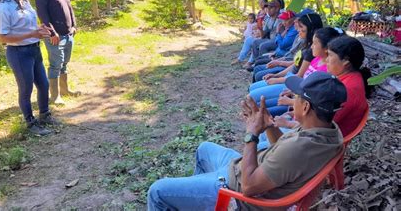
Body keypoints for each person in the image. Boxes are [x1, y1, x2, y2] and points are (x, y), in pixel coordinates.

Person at [147, 72, 346, 211]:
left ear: (305, 107)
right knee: (204, 149)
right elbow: (282, 151)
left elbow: (249, 187)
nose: (292, 98)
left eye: (296, 96)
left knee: (157, 192)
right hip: (243, 170)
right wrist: (270, 125)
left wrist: (252, 133)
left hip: (237, 192)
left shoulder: (300, 149)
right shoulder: (327, 130)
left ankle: (203, 197)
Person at [256, 36, 370, 150]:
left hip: (318, 144)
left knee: (261, 144)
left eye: (329, 55)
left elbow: (319, 129)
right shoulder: (344, 81)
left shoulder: (346, 90)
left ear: (346, 61)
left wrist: (287, 123)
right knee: (265, 132)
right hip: (312, 133)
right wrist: (292, 115)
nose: (325, 60)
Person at [0, 0, 58, 136]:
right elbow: (3, 37)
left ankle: (45, 115)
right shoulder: (3, 8)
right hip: (19, 53)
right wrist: (32, 33)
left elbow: (27, 27)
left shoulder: (24, 2)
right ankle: (30, 123)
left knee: (43, 85)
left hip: (34, 49)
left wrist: (39, 29)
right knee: (26, 88)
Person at [250, 27, 342, 117]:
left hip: (299, 103)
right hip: (294, 91)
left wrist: (290, 99)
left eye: (315, 44)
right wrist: (278, 76)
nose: (312, 46)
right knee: (255, 100)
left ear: (326, 48)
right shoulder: (316, 59)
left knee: (258, 106)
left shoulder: (328, 69)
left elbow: (315, 98)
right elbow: (296, 69)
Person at [35, 0, 81, 105]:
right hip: (55, 36)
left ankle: (65, 90)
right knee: (55, 64)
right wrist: (52, 33)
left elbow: (69, 8)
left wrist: (73, 26)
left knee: (64, 63)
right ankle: (55, 96)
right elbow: (42, 14)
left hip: (68, 34)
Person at [246, 0, 283, 70]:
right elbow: (263, 35)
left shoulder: (281, 18)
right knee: (255, 42)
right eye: (267, 7)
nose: (268, 9)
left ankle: (263, 66)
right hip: (270, 39)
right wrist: (260, 28)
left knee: (263, 46)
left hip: (277, 40)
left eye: (271, 8)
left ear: (277, 9)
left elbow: (282, 34)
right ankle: (256, 62)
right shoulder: (268, 18)